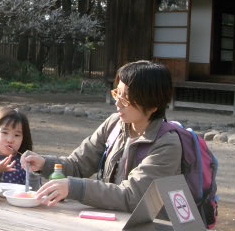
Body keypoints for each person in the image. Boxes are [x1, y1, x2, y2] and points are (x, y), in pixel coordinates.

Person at [21, 60, 182, 212]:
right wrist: (44, 163)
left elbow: (132, 196)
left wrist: (74, 187)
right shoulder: (114, 124)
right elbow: (78, 164)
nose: (118, 103)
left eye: (126, 99)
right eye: (117, 94)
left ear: (152, 105)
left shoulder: (167, 144)